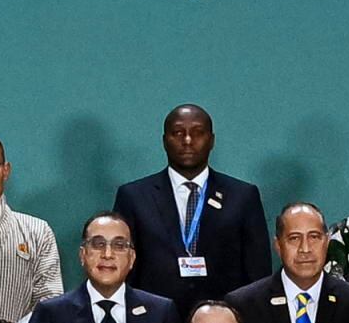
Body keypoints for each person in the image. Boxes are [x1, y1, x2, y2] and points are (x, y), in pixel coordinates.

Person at [114, 103, 267, 298]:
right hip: (152, 320)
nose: (187, 140)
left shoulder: (243, 196)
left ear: (211, 140)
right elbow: (122, 267)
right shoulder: (133, 197)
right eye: (178, 133)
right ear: (164, 141)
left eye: (197, 133)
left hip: (224, 320)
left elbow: (258, 272)